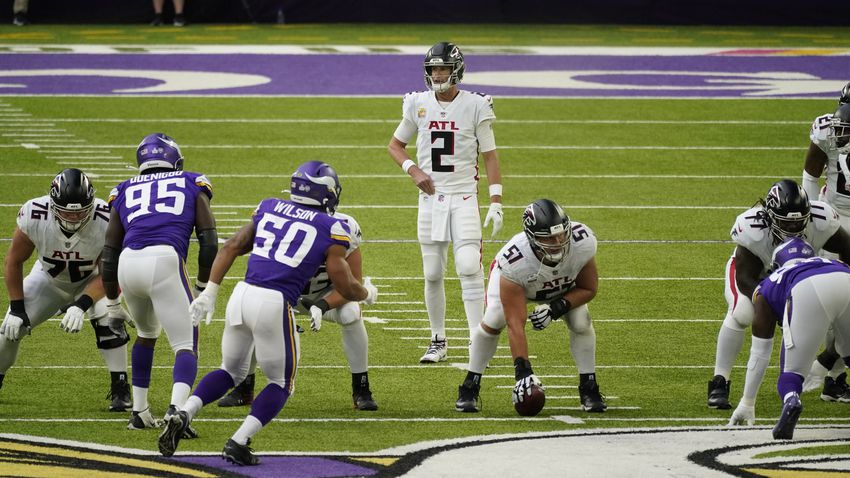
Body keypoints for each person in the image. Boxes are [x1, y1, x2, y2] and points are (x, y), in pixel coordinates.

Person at [157, 161, 378, 465]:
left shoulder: (270, 207)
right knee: (280, 383)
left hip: (242, 294)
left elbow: (232, 246)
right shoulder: (331, 228)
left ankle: (185, 412)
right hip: (274, 303)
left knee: (229, 371)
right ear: (328, 195)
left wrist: (210, 292)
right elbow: (346, 285)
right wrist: (367, 293)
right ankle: (238, 441)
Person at [387, 41, 504, 363]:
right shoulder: (417, 103)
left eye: (443, 68)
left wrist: (496, 200)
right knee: (432, 273)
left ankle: (475, 339)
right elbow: (395, 146)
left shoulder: (476, 105)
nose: (438, 74)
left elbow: (490, 155)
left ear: (456, 71)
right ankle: (438, 340)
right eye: (434, 69)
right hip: (430, 199)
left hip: (465, 196)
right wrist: (413, 171)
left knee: (468, 266)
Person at [102, 133, 217, 431]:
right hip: (164, 260)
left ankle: (139, 412)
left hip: (128, 263)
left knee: (146, 333)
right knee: (185, 345)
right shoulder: (192, 182)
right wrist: (204, 287)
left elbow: (110, 251)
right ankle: (177, 412)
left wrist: (112, 302)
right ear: (175, 160)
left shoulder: (124, 189)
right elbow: (208, 239)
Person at [706, 179, 850, 409]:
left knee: (837, 310)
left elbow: (847, 247)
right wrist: (774, 302)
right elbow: (745, 278)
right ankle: (719, 381)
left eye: (799, 222)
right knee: (743, 313)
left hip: (796, 280)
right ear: (769, 216)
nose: (793, 229)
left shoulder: (821, 220)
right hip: (755, 276)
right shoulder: (753, 229)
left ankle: (833, 379)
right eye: (786, 223)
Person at [455, 199, 606, 413]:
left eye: (561, 234)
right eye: (549, 238)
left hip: (560, 288)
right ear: (532, 237)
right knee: (494, 318)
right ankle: (469, 386)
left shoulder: (582, 242)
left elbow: (589, 288)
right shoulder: (515, 260)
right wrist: (523, 372)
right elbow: (515, 324)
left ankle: (589, 387)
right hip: (521, 284)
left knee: (581, 321)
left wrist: (556, 309)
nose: (558, 241)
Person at [217, 210, 379, 411]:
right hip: (284, 293)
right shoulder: (282, 221)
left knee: (351, 314)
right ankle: (244, 388)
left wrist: (322, 304)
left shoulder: (343, 227)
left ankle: (361, 388)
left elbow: (352, 285)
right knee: (254, 312)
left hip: (324, 295)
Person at [1, 168, 133, 411]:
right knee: (8, 330)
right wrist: (17, 308)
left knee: (110, 320)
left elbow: (110, 272)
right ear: (52, 206)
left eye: (81, 212)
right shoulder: (35, 213)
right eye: (66, 212)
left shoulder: (106, 217)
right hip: (48, 280)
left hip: (93, 280)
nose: (73, 218)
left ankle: (120, 387)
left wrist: (81, 305)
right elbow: (13, 261)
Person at [729, 237, 850, 439]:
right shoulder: (834, 262)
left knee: (791, 374)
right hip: (846, 277)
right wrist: (823, 363)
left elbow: (760, 350)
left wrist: (747, 402)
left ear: (777, 264)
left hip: (805, 288)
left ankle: (791, 400)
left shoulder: (772, 280)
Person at [799, 85, 850, 400]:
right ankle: (833, 376)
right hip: (834, 216)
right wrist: (815, 217)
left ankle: (829, 368)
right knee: (837, 298)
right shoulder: (828, 130)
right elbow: (809, 177)